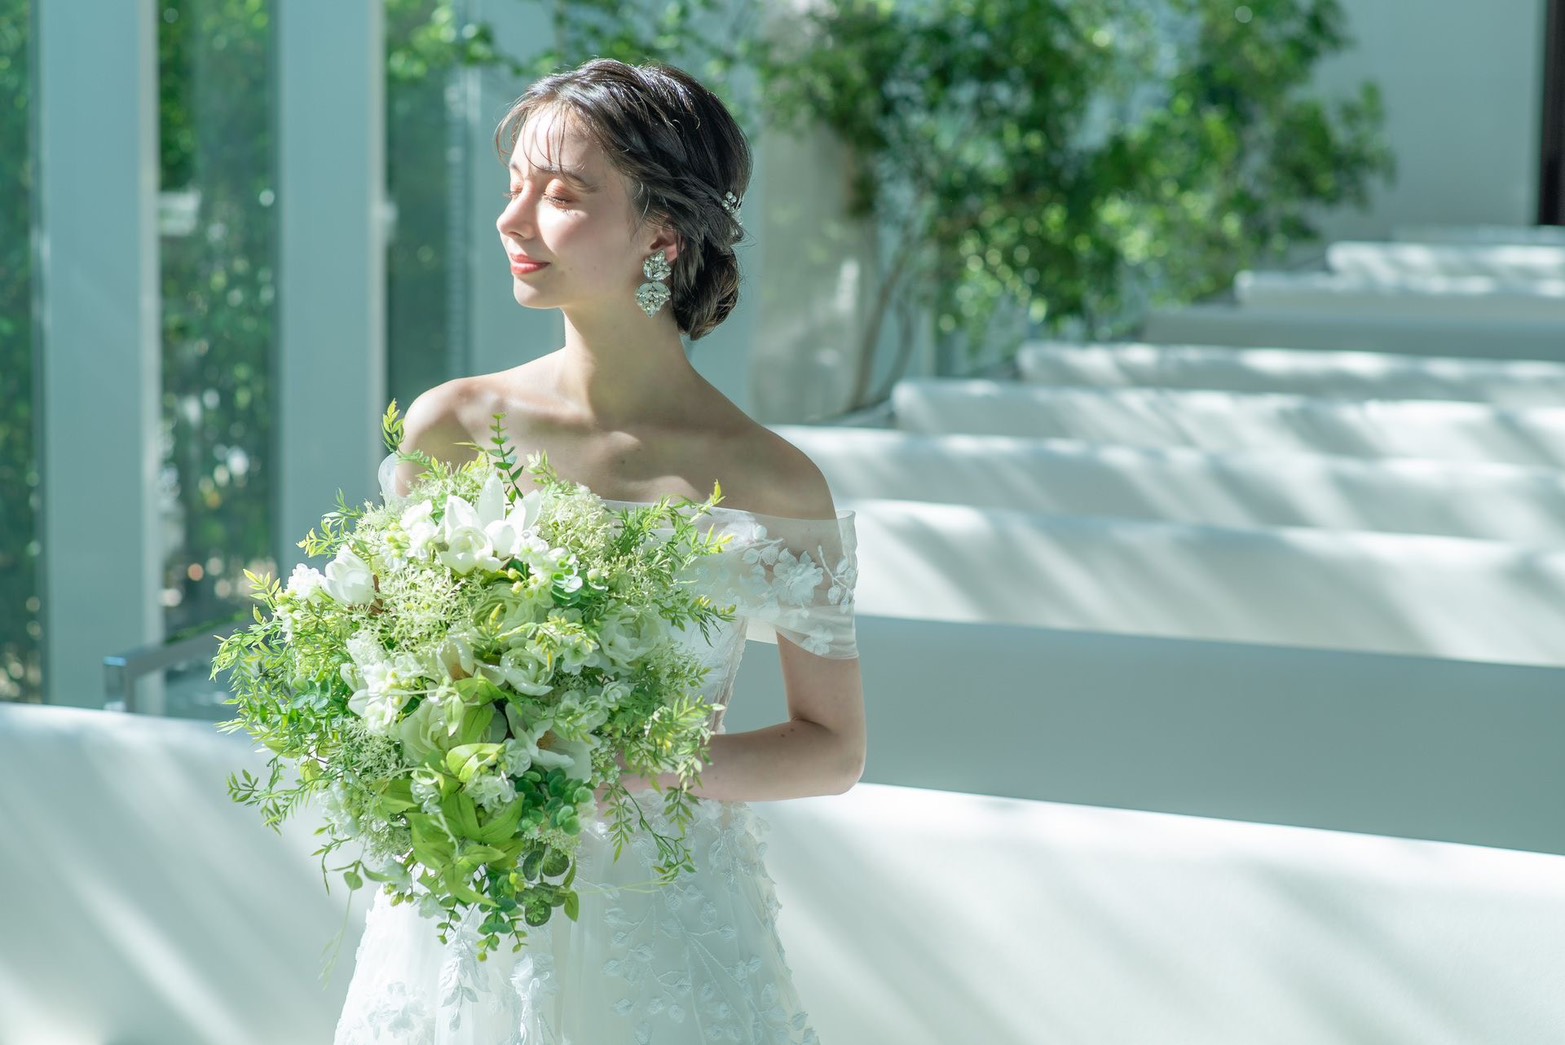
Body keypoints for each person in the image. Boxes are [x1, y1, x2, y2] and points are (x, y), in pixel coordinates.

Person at [333, 58, 865, 1044]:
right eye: (513, 188)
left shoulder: (773, 483)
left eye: (562, 195)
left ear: (660, 235)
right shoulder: (453, 425)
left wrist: (648, 764)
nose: (513, 219)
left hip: (661, 917)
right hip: (465, 903)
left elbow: (832, 748)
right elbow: (383, 669)